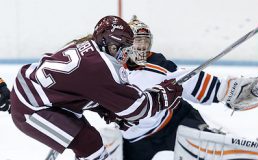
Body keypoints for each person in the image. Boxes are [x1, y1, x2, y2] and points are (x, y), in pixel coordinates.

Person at [92, 16, 258, 160]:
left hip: (175, 122)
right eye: (136, 41)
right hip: (135, 139)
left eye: (145, 41)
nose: (141, 47)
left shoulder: (158, 65)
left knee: (205, 145)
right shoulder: (105, 74)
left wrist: (230, 90)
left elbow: (191, 82)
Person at [9, 15, 183, 160]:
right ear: (112, 45)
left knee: (89, 142)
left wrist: (105, 108)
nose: (125, 55)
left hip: (35, 90)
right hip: (31, 108)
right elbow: (136, 108)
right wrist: (162, 96)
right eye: (124, 49)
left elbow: (77, 87)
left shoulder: (88, 48)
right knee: (90, 145)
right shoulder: (101, 66)